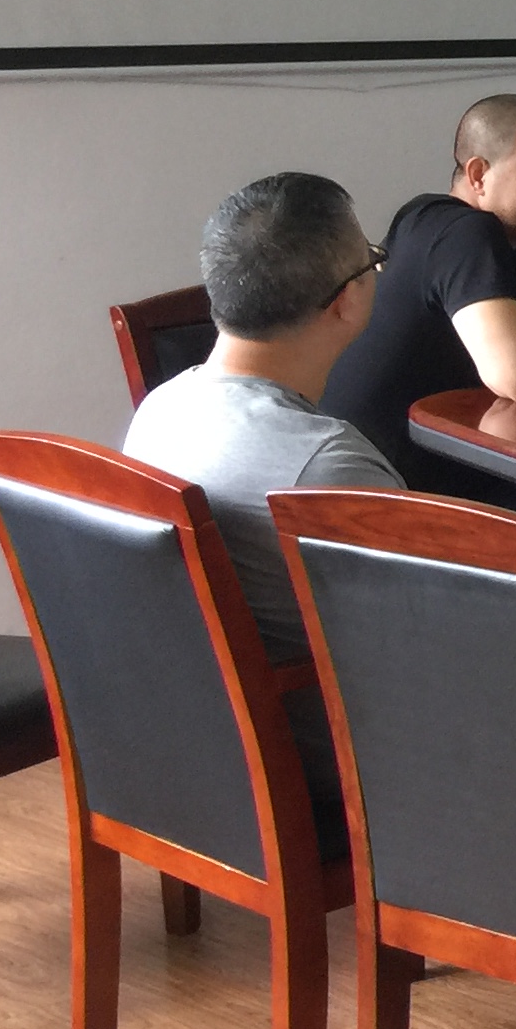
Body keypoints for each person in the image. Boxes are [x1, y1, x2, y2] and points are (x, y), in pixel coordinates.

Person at [125, 171, 406, 667]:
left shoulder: (159, 409)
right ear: (345, 300)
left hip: (205, 697)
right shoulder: (327, 466)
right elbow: (424, 629)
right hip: (339, 706)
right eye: (371, 260)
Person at [323, 94, 516, 486]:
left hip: (399, 472)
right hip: (392, 491)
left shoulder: (456, 227)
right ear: (479, 174)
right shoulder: (465, 233)